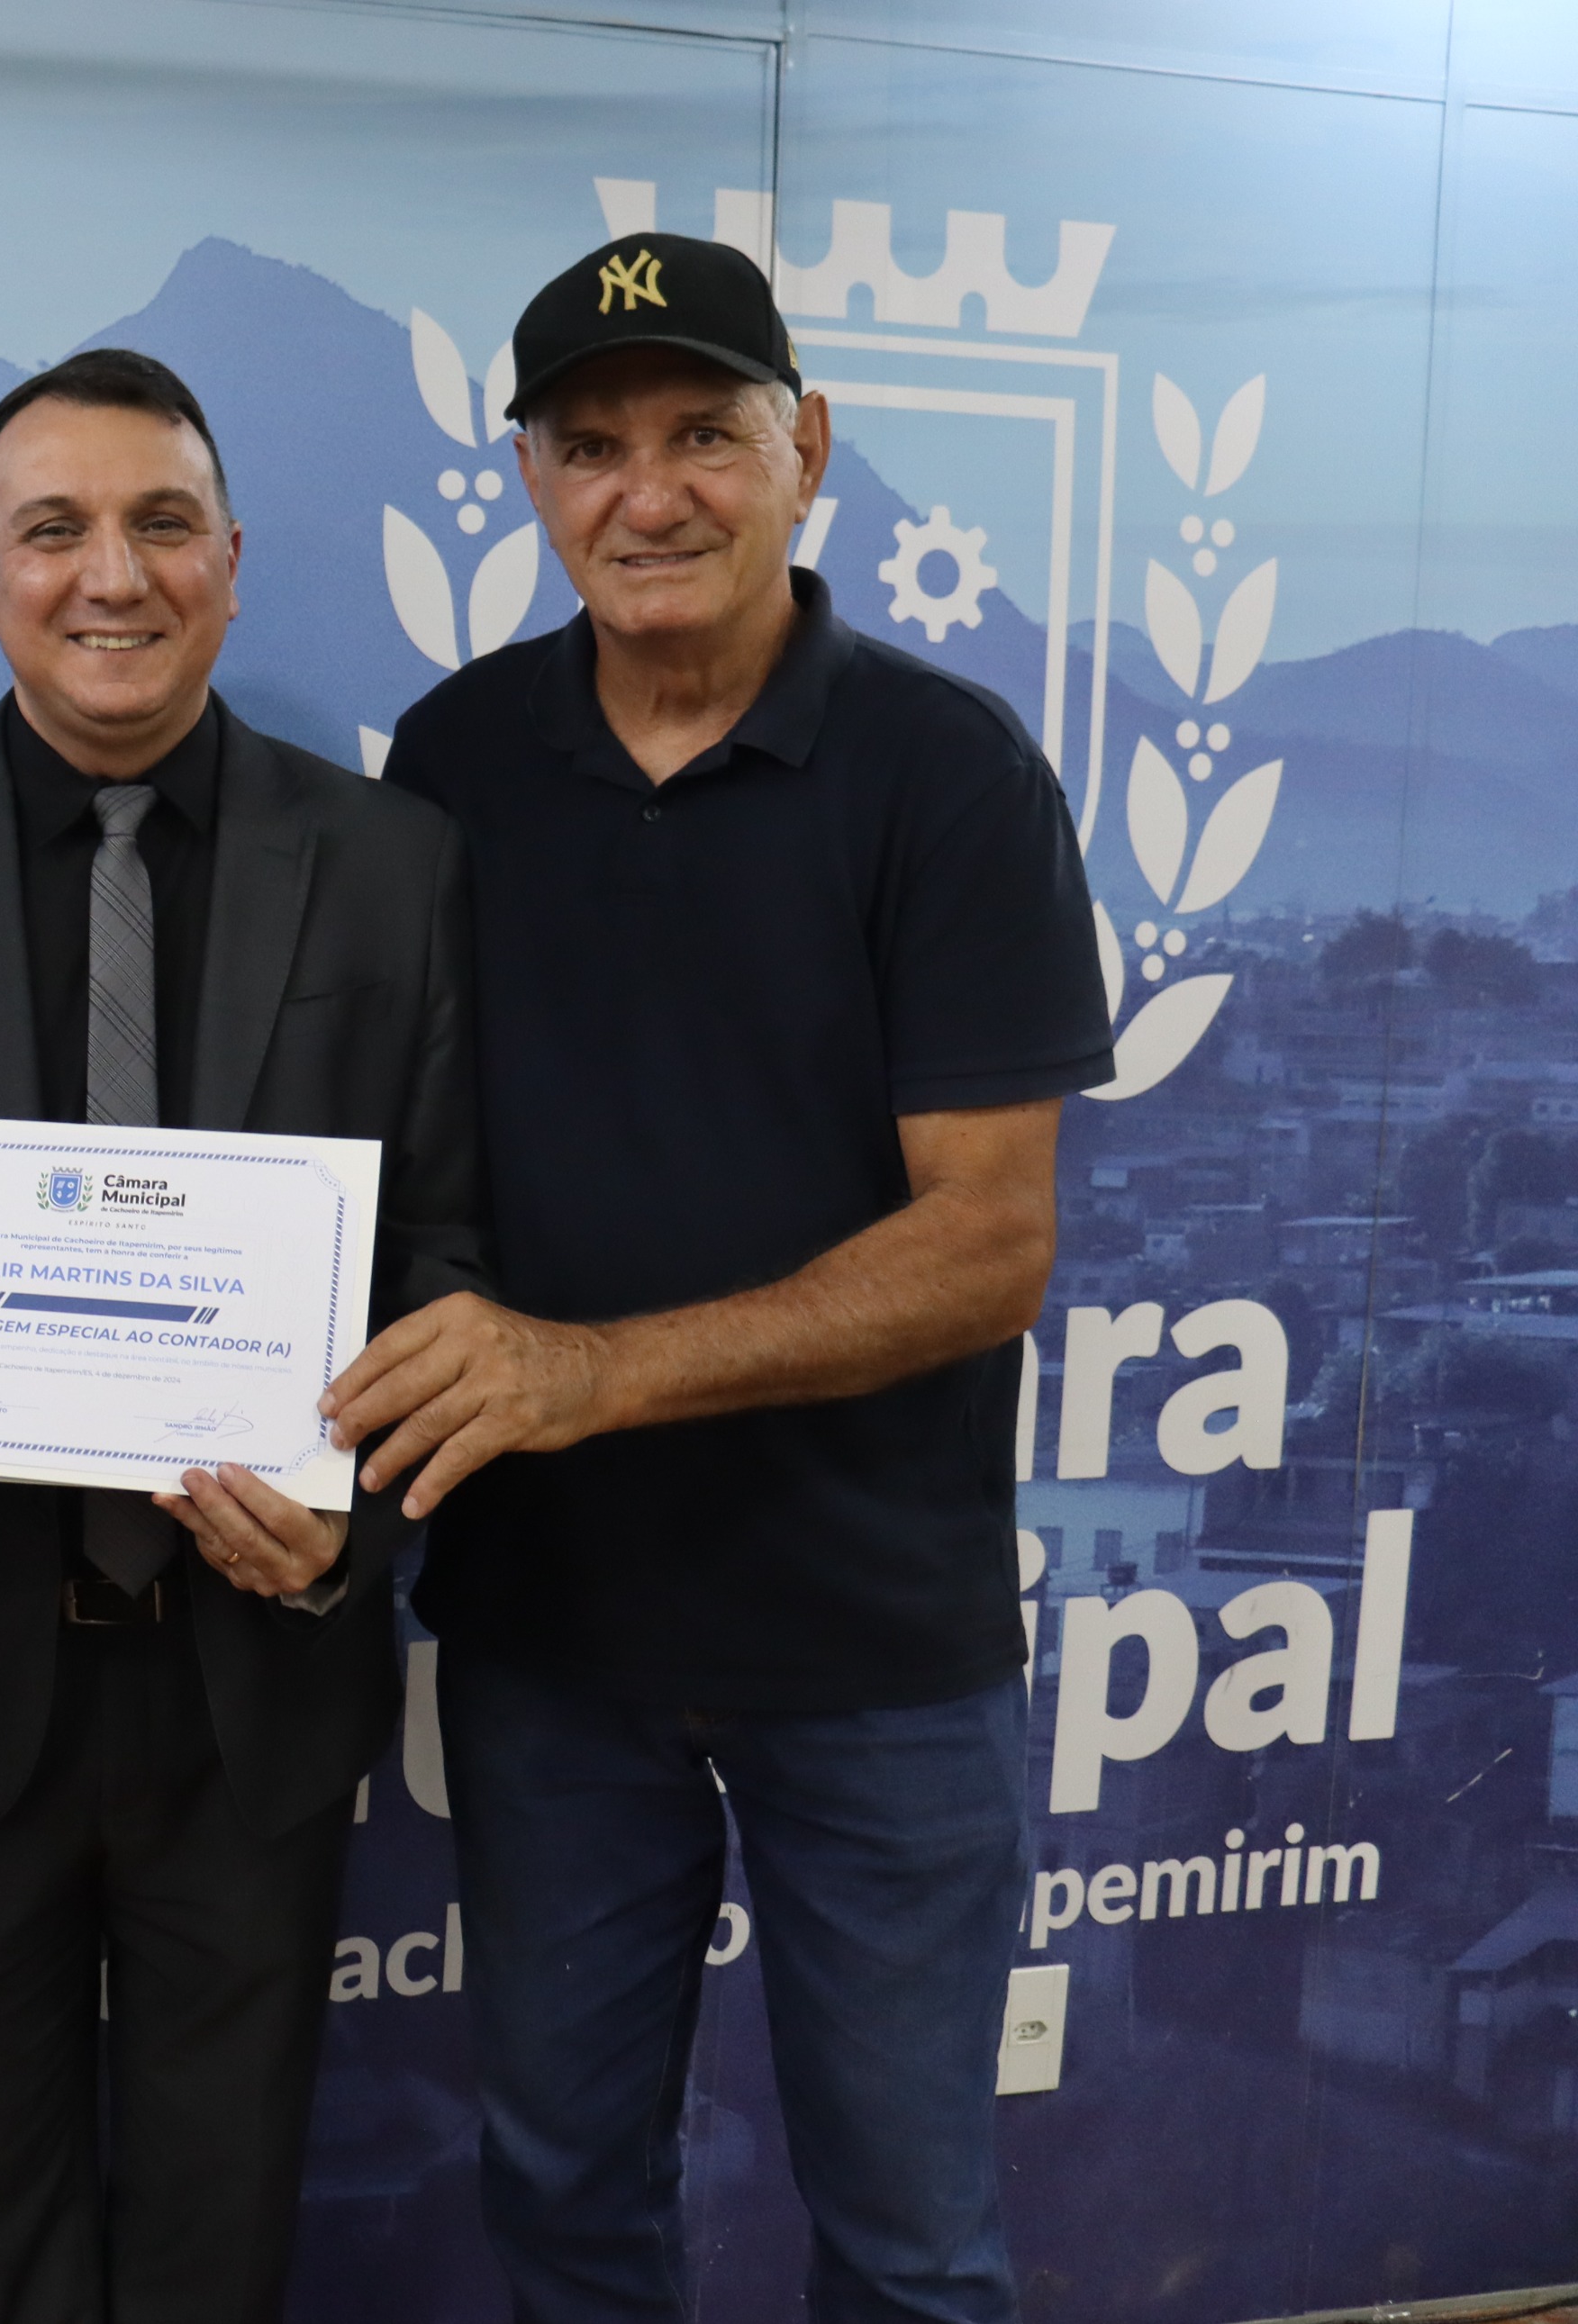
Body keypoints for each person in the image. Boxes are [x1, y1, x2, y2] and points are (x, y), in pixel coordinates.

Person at [347, 232, 1111, 2324]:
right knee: (562, 2197)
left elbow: (988, 1245)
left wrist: (596, 1372)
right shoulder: (454, 761)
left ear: (808, 450)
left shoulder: (947, 774)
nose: (648, 493)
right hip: (550, 1637)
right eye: (591, 447)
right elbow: (403, 1159)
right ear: (529, 479)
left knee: (910, 2238)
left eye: (704, 433)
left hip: (872, 1642)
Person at [0, 348, 485, 2324]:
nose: (113, 573)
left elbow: (444, 1248)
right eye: (54, 529)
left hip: (257, 1674)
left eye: (163, 525)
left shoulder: (392, 864)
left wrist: (349, 1525)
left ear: (232, 562)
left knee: (215, 2247)